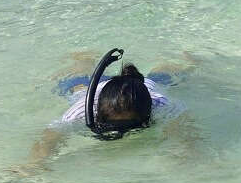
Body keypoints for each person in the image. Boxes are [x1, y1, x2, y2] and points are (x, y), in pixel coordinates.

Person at [25, 51, 195, 165]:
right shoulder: (81, 112)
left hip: (145, 86)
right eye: (113, 125)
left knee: (168, 72)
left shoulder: (162, 105)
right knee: (77, 79)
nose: (122, 132)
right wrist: (36, 164)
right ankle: (83, 59)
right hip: (87, 91)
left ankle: (176, 57)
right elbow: (51, 134)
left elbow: (183, 127)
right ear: (98, 114)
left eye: (131, 125)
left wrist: (186, 151)